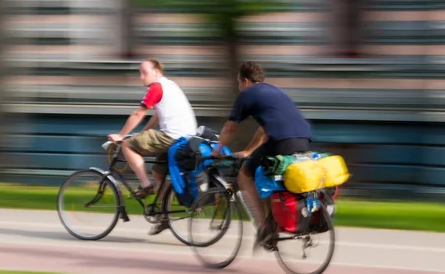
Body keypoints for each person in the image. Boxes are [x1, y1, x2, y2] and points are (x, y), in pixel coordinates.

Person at [211, 61, 312, 247]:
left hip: (282, 142)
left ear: (246, 81)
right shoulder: (275, 91)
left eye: (239, 83)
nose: (239, 87)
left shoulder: (247, 94)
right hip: (304, 139)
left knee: (245, 176)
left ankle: (264, 228)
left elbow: (230, 127)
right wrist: (249, 151)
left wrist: (217, 150)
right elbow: (264, 129)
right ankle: (276, 221)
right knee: (269, 176)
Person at [108, 58, 198, 234]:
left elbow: (138, 113)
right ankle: (164, 217)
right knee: (159, 173)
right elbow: (157, 115)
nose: (141, 77)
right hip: (186, 138)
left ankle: (145, 185)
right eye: (139, 73)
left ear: (157, 72)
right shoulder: (170, 85)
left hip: (171, 137)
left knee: (126, 144)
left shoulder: (156, 87)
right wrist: (142, 133)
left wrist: (120, 136)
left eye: (144, 73)